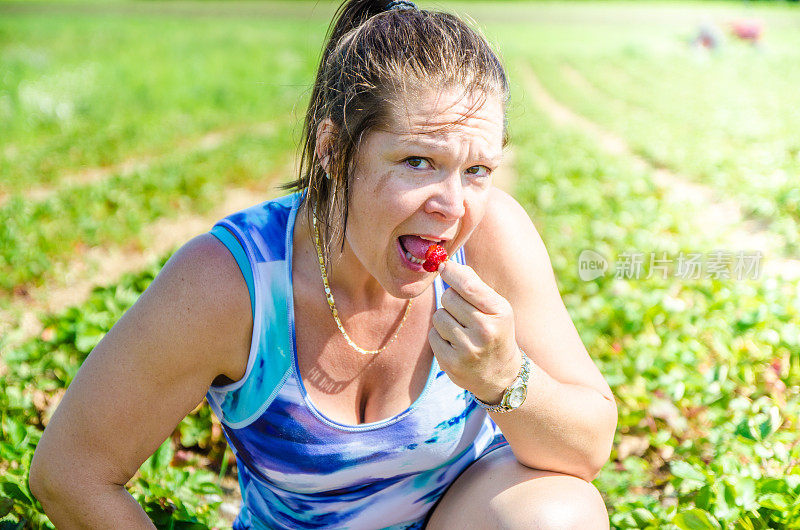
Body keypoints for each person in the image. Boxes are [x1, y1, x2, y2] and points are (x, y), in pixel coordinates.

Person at [29, 0, 617, 528]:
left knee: (555, 516)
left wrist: (502, 376)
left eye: (477, 170)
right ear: (332, 150)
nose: (453, 205)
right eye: (417, 161)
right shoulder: (234, 283)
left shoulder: (491, 236)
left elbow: (586, 448)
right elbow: (71, 473)